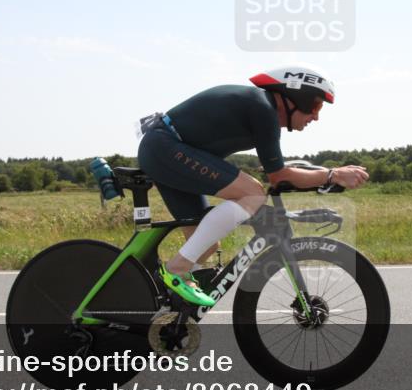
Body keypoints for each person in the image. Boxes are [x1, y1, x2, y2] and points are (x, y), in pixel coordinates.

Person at [136, 66, 369, 307]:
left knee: (204, 245)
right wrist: (333, 175)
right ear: (298, 96)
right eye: (316, 107)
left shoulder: (261, 108)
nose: (316, 117)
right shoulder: (262, 108)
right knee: (252, 193)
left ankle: (157, 303)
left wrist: (325, 176)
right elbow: (278, 176)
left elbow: (280, 171)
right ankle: (176, 270)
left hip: (165, 151)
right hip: (164, 148)